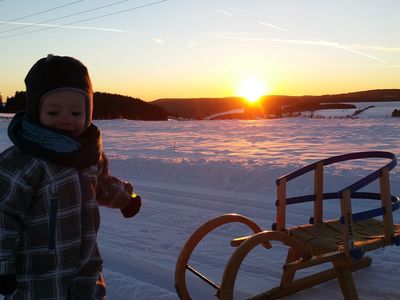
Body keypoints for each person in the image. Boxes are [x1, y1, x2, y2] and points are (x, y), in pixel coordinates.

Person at [0, 54, 142, 299]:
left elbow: (101, 185)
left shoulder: (88, 153)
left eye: (76, 113)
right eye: (54, 112)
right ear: (36, 111)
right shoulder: (23, 162)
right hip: (37, 279)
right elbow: (3, 216)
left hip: (85, 272)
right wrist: (3, 267)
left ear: (88, 112)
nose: (65, 119)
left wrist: (126, 197)